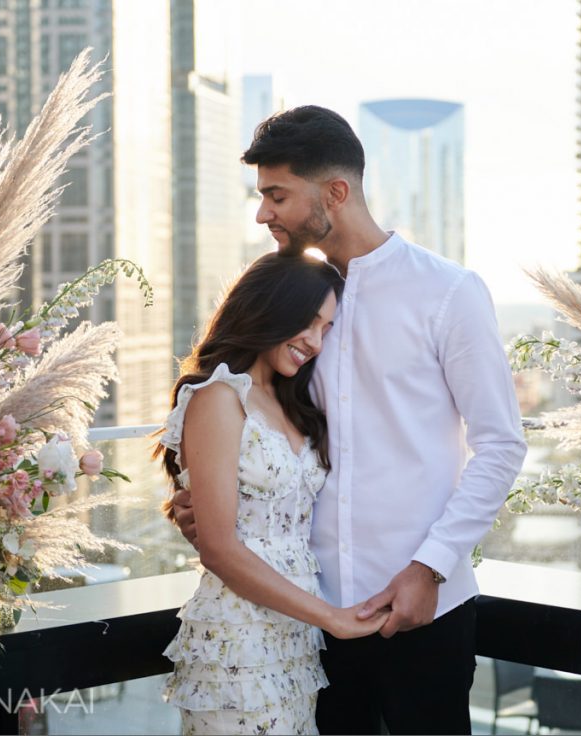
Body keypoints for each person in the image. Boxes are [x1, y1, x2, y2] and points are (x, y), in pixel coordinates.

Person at [173, 105, 527, 734]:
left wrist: (429, 568)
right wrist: (201, 500)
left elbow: (500, 446)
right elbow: (244, 416)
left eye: (277, 195)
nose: (263, 214)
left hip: (424, 609)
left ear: (335, 192)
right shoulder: (295, 304)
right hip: (306, 617)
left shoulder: (449, 292)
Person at [155, 253, 389, 736]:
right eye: (307, 322)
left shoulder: (290, 401)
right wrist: (334, 618)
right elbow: (219, 548)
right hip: (237, 643)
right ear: (270, 306)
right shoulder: (218, 397)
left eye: (325, 329)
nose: (315, 341)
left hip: (294, 639)